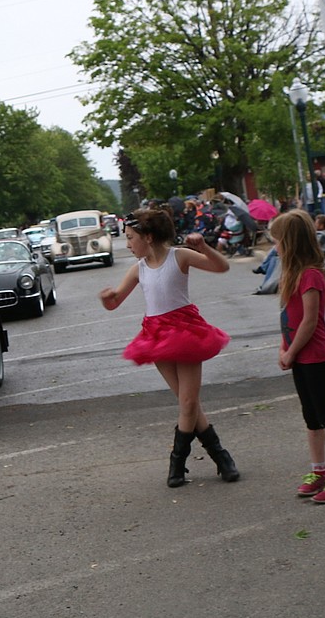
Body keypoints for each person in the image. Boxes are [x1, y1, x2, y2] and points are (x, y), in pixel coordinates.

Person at [99, 207, 238, 488]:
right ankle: (222, 458)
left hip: (185, 331)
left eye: (130, 238)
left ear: (148, 237)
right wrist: (107, 298)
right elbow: (115, 303)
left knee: (188, 403)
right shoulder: (137, 269)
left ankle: (178, 463)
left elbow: (221, 267)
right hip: (157, 335)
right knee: (188, 403)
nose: (127, 244)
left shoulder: (180, 256)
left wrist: (204, 248)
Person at [269, 210, 325, 504]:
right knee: (311, 417)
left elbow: (308, 321)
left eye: (277, 241)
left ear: (290, 242)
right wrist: (284, 347)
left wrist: (291, 350)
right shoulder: (291, 275)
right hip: (299, 357)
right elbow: (287, 318)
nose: (275, 247)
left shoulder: (311, 275)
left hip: (316, 356)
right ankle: (318, 470)